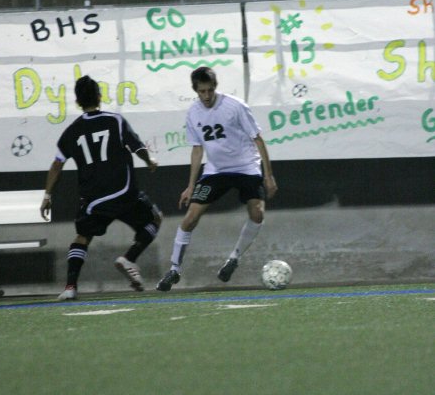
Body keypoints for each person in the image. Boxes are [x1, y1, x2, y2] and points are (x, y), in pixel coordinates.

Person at [40, 75, 162, 300]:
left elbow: (57, 164)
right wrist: (149, 161)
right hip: (123, 193)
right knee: (155, 219)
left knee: (82, 237)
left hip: (94, 199)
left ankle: (69, 288)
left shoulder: (71, 131)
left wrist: (48, 195)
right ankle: (129, 258)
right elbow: (136, 147)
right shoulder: (115, 121)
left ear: (77, 102)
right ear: (100, 96)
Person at [156, 66, 277, 292]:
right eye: (202, 91)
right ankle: (174, 269)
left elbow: (258, 140)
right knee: (190, 217)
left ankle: (234, 258)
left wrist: (268, 176)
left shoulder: (235, 106)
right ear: (196, 90)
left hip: (246, 168)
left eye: (210, 90)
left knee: (257, 213)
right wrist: (191, 185)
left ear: (215, 87)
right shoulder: (193, 113)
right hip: (215, 171)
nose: (207, 96)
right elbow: (197, 150)